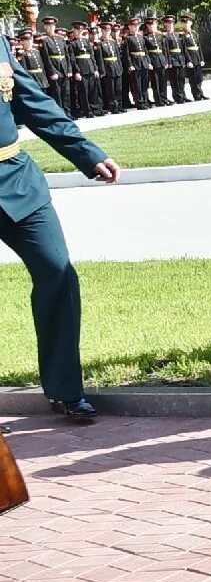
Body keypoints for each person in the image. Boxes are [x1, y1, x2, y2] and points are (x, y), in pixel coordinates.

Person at [2, 47, 121, 424]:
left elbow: (32, 101)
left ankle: (66, 390)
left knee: (57, 270)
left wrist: (86, 154)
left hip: (16, 179)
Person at [93, 23, 126, 115]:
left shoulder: (113, 42)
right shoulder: (99, 43)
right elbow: (99, 59)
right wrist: (102, 70)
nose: (106, 32)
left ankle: (119, 105)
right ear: (102, 31)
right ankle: (113, 107)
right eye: (104, 31)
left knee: (118, 89)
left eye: (108, 31)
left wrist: (120, 67)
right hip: (107, 67)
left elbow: (118, 56)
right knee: (110, 89)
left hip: (116, 67)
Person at [152, 16, 185, 104]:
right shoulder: (164, 36)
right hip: (172, 59)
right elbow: (166, 50)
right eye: (168, 23)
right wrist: (169, 61)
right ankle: (177, 97)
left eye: (171, 23)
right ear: (165, 24)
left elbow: (181, 48)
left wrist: (183, 60)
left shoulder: (177, 34)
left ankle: (182, 95)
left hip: (179, 58)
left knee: (181, 79)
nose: (170, 25)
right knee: (174, 80)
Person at [177, 16, 205, 100]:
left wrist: (202, 59)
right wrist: (188, 60)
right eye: (184, 23)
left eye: (187, 22)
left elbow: (198, 46)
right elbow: (184, 49)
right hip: (191, 58)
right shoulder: (182, 35)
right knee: (193, 78)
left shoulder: (194, 33)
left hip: (197, 57)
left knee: (199, 77)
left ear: (191, 23)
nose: (186, 24)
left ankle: (200, 93)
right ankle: (196, 95)